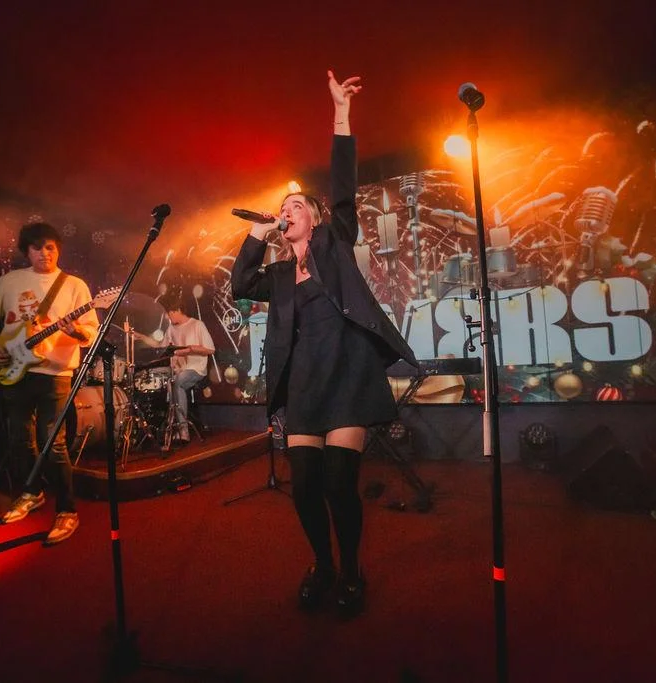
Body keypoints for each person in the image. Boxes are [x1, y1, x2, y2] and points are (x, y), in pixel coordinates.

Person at [230, 70, 418, 617]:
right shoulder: (278, 276)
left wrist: (340, 113)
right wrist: (255, 233)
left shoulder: (335, 241)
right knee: (306, 487)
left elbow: (342, 185)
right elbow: (239, 285)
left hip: (348, 376)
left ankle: (352, 568)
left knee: (339, 483)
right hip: (305, 386)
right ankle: (323, 564)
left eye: (296, 205)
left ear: (315, 217)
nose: (286, 210)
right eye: (282, 206)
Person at [0, 221, 98, 545]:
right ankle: (31, 492)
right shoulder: (10, 281)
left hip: (55, 373)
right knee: (19, 438)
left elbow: (90, 331)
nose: (45, 253)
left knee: (53, 443)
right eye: (37, 248)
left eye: (50, 247)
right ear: (26, 252)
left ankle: (67, 510)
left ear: (59, 249)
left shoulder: (74, 286)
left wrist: (74, 331)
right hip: (14, 370)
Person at [136, 292, 215, 445]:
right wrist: (142, 337)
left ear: (178, 310)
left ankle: (183, 430)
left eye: (169, 313)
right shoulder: (171, 329)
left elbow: (210, 349)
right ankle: (158, 426)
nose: (167, 317)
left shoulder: (197, 325)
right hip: (177, 370)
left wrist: (188, 350)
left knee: (178, 381)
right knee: (149, 376)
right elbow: (161, 348)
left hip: (196, 369)